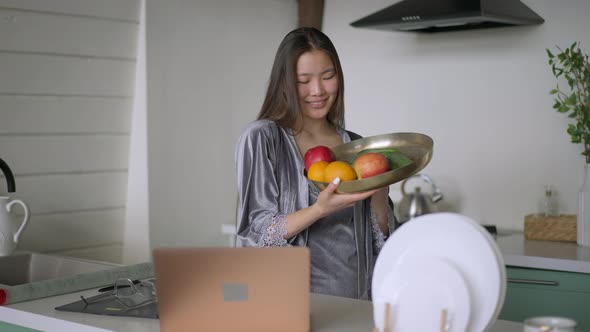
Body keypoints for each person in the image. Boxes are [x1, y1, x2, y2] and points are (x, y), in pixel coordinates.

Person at [235, 27, 396, 300]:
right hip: (289, 305)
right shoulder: (263, 137)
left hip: (358, 304)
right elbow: (255, 233)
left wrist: (380, 193)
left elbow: (383, 242)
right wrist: (319, 209)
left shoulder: (357, 146)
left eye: (328, 76)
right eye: (303, 80)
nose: (318, 90)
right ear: (285, 82)